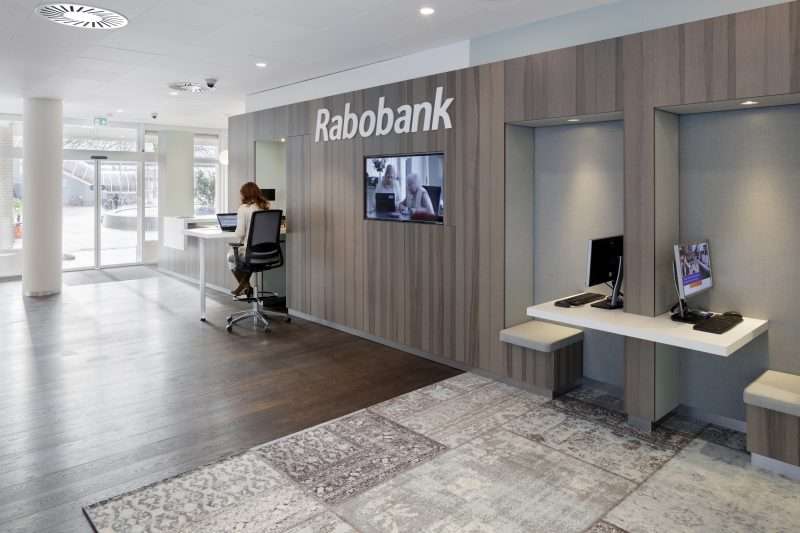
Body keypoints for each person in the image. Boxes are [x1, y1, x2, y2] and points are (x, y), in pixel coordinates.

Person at [228, 182, 270, 297]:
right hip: (268, 251)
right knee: (249, 259)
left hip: (251, 251)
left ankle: (245, 286)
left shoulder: (243, 208)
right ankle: (245, 287)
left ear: (244, 194)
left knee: (230, 257)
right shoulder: (264, 207)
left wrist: (234, 231)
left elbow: (240, 233)